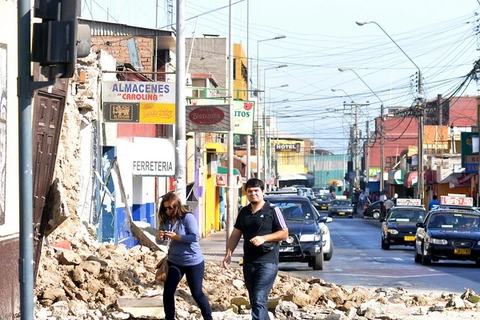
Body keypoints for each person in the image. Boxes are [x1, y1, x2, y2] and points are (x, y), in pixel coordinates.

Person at [222, 178, 288, 320]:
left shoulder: (273, 210)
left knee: (259, 298)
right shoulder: (244, 212)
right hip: (249, 262)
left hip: (268, 262)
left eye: (256, 191)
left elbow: (284, 232)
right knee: (255, 301)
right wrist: (228, 254)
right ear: (246, 193)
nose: (253, 194)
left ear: (263, 192)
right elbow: (235, 235)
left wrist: (264, 238)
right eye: (250, 191)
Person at [156, 193, 213, 320]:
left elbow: (195, 237)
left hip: (193, 261)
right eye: (165, 208)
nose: (168, 211)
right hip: (175, 261)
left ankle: (208, 317)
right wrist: (159, 237)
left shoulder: (187, 218)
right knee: (168, 291)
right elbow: (161, 242)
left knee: (196, 293)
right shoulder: (165, 221)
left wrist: (177, 237)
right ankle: (169, 318)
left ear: (176, 206)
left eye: (170, 208)